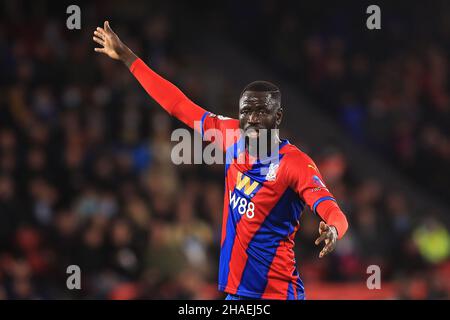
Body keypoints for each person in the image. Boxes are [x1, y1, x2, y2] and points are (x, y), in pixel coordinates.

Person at [92, 21, 348, 300]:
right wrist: (128, 57)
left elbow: (331, 208)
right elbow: (178, 105)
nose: (251, 118)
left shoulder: (294, 163)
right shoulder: (231, 135)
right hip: (237, 295)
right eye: (246, 111)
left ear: (278, 117)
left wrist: (333, 229)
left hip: (277, 294)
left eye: (261, 111)